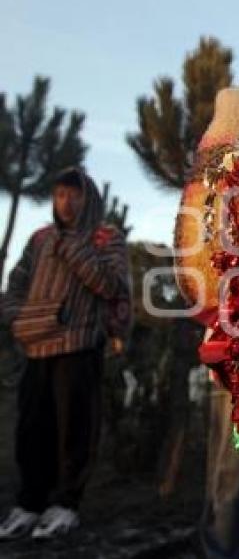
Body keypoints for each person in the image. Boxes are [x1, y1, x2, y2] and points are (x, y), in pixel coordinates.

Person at [0, 167, 131, 540]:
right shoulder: (39, 238)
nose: (66, 201)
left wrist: (74, 249)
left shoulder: (106, 238)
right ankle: (29, 503)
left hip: (78, 345)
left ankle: (64, 505)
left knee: (73, 430)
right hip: (35, 343)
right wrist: (15, 318)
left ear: (88, 198)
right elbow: (17, 282)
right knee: (30, 430)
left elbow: (111, 286)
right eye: (59, 194)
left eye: (74, 194)